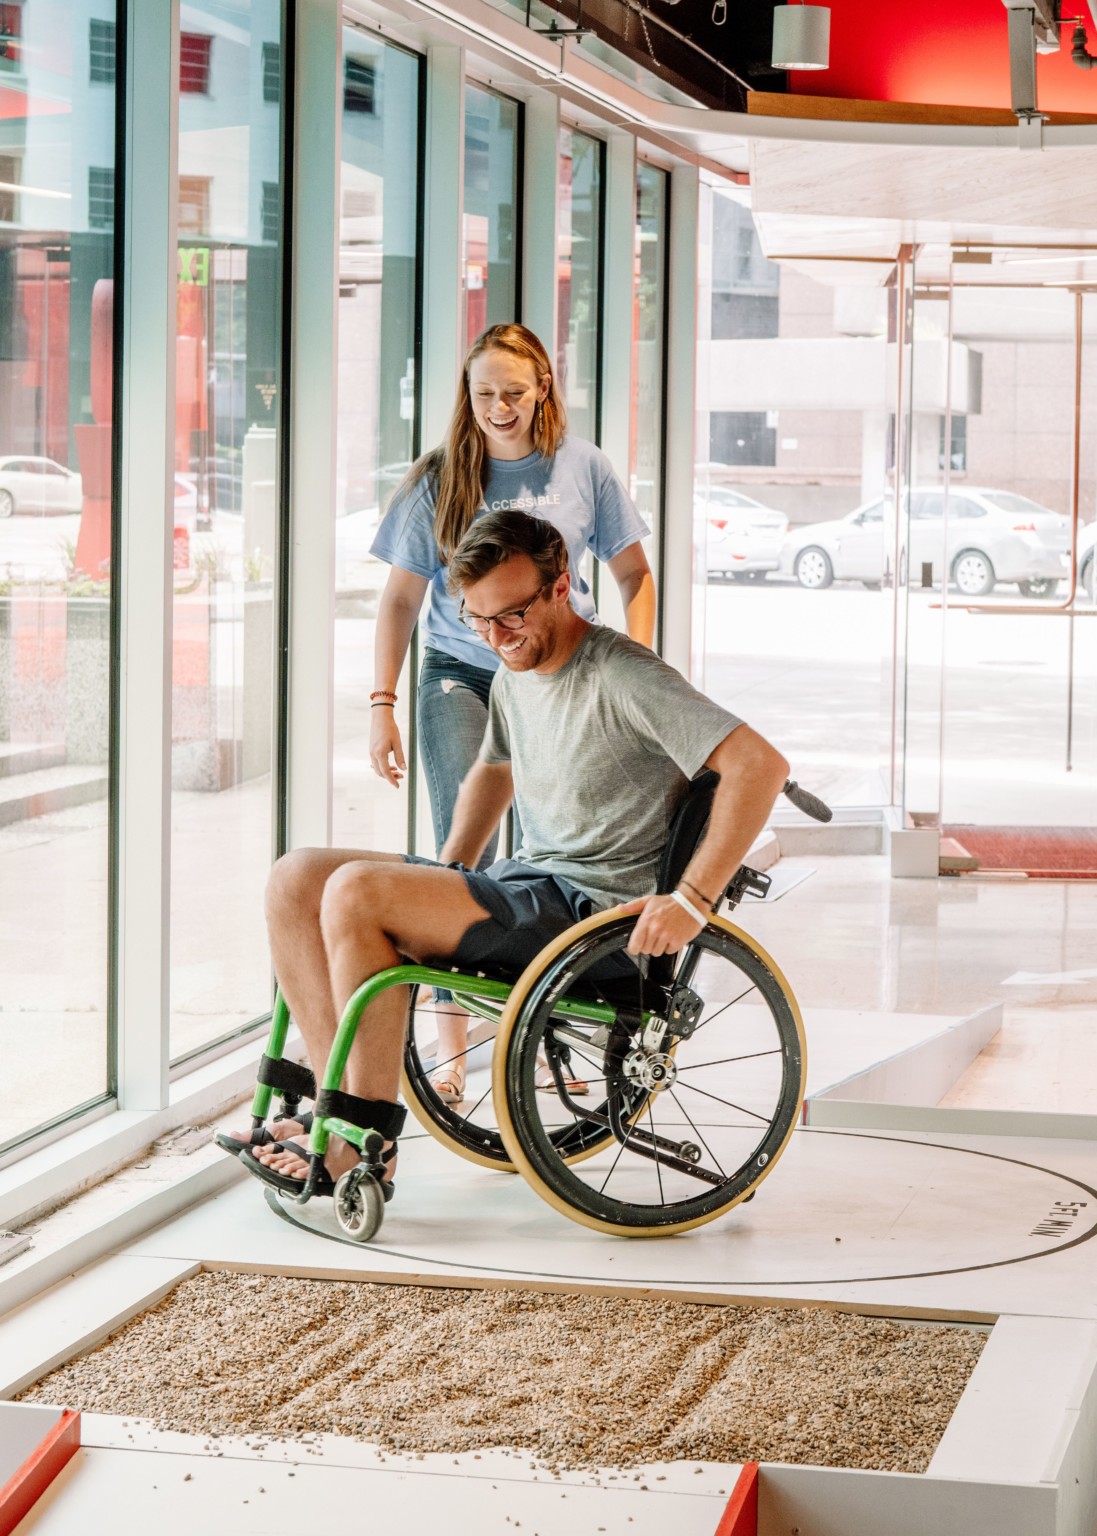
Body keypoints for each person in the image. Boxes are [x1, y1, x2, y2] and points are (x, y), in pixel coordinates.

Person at [232, 510, 789, 1201]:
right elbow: (494, 772)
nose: (497, 638)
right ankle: (333, 1103)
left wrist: (692, 901)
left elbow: (758, 765)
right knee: (295, 877)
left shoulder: (622, 673)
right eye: (478, 620)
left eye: (513, 615)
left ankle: (363, 1142)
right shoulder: (512, 671)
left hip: (591, 915)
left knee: (353, 891)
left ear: (561, 587)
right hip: (524, 887)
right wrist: (442, 873)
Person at [368, 323, 655, 1104]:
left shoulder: (580, 466)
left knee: (545, 857)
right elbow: (398, 598)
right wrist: (381, 703)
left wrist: (633, 669)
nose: (499, 407)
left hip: (557, 675)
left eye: (514, 393)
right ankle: (455, 1050)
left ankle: (538, 1031)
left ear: (543, 391)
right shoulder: (440, 476)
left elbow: (633, 573)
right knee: (458, 855)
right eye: (484, 393)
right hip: (460, 673)